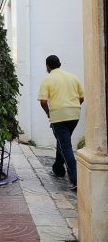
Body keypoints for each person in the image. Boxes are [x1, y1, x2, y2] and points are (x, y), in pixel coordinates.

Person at [37, 55, 84, 191]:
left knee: (66, 146)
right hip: (75, 115)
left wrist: (48, 113)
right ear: (60, 64)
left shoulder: (48, 79)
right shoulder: (72, 77)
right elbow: (81, 97)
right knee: (62, 142)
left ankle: (75, 180)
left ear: (47, 66)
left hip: (59, 116)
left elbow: (43, 101)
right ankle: (58, 168)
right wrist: (73, 107)